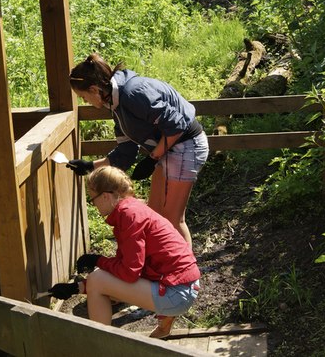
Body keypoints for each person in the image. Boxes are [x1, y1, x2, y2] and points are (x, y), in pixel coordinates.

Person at [67, 53, 209, 245]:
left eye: (83, 97)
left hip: (187, 144)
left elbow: (177, 125)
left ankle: (186, 273)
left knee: (173, 220)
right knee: (156, 213)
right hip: (170, 148)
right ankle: (164, 267)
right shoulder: (115, 104)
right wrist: (90, 166)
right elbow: (125, 151)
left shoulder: (133, 93)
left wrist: (152, 158)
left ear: (94, 89)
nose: (84, 102)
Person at [48, 166, 201, 338]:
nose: (94, 204)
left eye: (93, 199)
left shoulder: (128, 216)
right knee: (100, 279)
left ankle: (102, 344)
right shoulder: (131, 209)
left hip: (177, 292)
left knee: (97, 281)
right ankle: (163, 327)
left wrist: (98, 260)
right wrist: (76, 288)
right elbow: (125, 268)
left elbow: (129, 273)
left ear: (105, 196)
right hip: (185, 284)